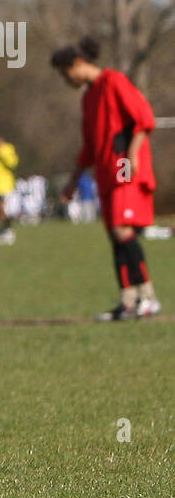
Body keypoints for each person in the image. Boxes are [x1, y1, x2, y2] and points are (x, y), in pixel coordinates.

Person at [52, 37, 160, 320]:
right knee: (115, 236)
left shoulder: (114, 81)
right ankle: (128, 302)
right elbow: (89, 146)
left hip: (125, 168)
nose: (66, 80)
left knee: (123, 231)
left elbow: (145, 118)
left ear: (77, 64)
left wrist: (133, 154)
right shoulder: (89, 96)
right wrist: (74, 180)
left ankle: (148, 297)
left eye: (65, 74)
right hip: (107, 174)